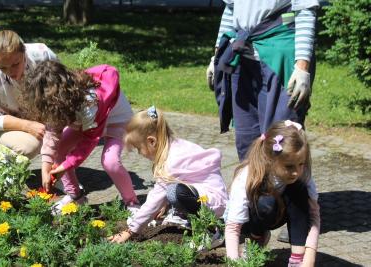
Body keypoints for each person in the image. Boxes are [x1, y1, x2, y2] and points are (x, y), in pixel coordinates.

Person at [21, 60, 139, 213]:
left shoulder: (88, 103)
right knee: (59, 149)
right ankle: (76, 196)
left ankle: (132, 202)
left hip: (116, 122)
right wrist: (46, 166)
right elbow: (52, 133)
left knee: (110, 162)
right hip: (86, 124)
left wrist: (66, 165)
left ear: (61, 98)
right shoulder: (58, 104)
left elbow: (89, 141)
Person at [207, 0, 319, 161]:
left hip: (280, 59)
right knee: (247, 141)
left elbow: (305, 10)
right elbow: (231, 8)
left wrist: (302, 67)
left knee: (282, 139)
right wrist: (216, 55)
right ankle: (253, 184)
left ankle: (287, 186)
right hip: (243, 59)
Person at [108, 106, 228, 243]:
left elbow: (155, 199)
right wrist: (163, 204)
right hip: (211, 199)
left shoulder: (172, 162)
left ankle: (212, 232)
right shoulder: (176, 146)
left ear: (152, 141)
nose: (139, 153)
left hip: (214, 206)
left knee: (173, 193)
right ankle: (188, 217)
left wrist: (131, 230)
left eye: (138, 148)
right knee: (171, 192)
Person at [223, 120, 320, 266]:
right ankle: (256, 240)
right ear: (270, 160)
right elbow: (232, 228)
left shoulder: (300, 174)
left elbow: (313, 215)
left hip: (277, 213)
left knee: (299, 190)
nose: (296, 172)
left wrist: (310, 255)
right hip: (248, 221)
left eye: (301, 164)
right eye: (289, 166)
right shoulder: (247, 176)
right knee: (265, 203)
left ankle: (297, 259)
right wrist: (235, 263)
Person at [0, 30, 58, 159]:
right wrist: (27, 126)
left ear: (24, 51)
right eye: (3, 67)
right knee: (30, 146)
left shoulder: (44, 55)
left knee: (71, 133)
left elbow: (62, 88)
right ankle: (0, 165)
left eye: (16, 64)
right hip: (5, 123)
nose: (11, 72)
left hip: (43, 115)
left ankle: (59, 174)